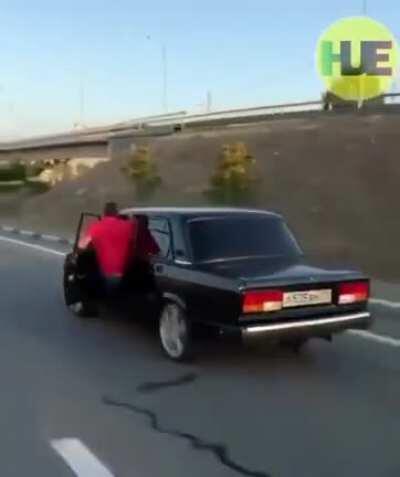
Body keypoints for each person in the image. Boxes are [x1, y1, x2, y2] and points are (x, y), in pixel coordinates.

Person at [79, 202, 137, 293]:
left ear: (104, 213)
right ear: (116, 213)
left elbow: (81, 246)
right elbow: (135, 243)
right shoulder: (129, 226)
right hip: (128, 273)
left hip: (106, 273)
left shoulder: (95, 226)